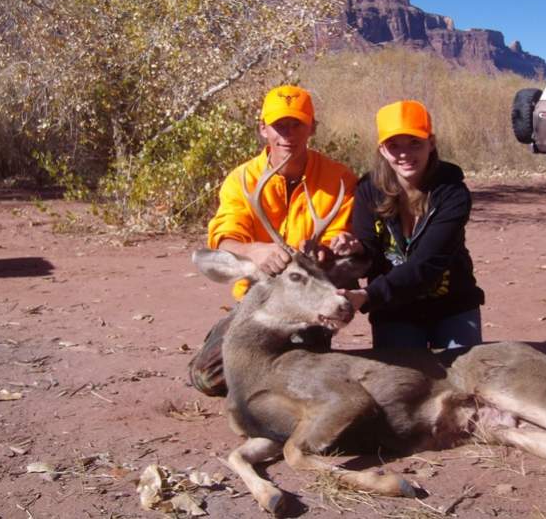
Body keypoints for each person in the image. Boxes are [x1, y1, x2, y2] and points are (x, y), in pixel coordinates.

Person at [189, 84, 358, 396]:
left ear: (312, 128)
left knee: (300, 382)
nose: (287, 135)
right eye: (279, 126)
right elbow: (224, 238)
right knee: (207, 377)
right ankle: (227, 331)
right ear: (263, 129)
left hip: (309, 303)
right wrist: (253, 251)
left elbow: (340, 235)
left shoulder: (339, 179)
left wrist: (325, 251)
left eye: (297, 125)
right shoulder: (242, 180)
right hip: (260, 301)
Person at [335, 100, 484, 350]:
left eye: (415, 143)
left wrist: (368, 296)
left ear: (431, 143)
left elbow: (427, 264)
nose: (405, 154)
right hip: (394, 309)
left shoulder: (452, 193)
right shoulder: (368, 191)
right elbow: (370, 249)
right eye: (394, 145)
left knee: (463, 379)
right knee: (405, 382)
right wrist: (357, 248)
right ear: (382, 150)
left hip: (451, 303)